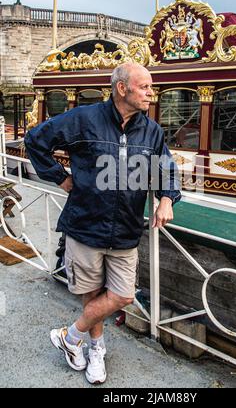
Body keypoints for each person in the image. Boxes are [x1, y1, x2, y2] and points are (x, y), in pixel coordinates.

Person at [24, 62, 181, 385]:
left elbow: (166, 166)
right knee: (91, 293)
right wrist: (61, 178)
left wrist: (166, 199)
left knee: (123, 294)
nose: (152, 92)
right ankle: (96, 348)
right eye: (145, 87)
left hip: (125, 229)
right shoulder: (83, 119)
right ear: (122, 88)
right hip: (85, 225)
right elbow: (35, 140)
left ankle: (70, 336)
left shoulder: (151, 130)